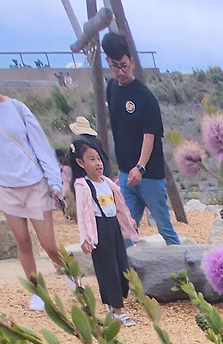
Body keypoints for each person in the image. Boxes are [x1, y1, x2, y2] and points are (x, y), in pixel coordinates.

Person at [0, 53, 67, 310]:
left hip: (33, 182)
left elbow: (41, 146)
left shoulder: (18, 108)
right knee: (23, 241)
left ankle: (73, 276)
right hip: (5, 185)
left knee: (48, 244)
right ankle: (37, 290)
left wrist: (55, 182)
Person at [101, 32, 180, 245]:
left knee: (164, 227)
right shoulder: (112, 89)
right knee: (126, 229)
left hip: (149, 175)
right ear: (108, 63)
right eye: (115, 66)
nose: (120, 72)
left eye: (124, 66)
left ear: (132, 63)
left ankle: (183, 260)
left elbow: (150, 136)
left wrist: (140, 167)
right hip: (125, 174)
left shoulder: (145, 97)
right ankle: (127, 266)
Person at [71, 136, 137, 327]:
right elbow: (83, 213)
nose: (97, 163)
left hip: (113, 226)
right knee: (108, 269)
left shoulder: (107, 183)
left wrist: (128, 221)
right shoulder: (83, 185)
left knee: (122, 266)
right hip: (99, 229)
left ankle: (114, 302)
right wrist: (86, 237)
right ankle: (117, 310)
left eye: (98, 158)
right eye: (91, 159)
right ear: (80, 163)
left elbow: (120, 206)